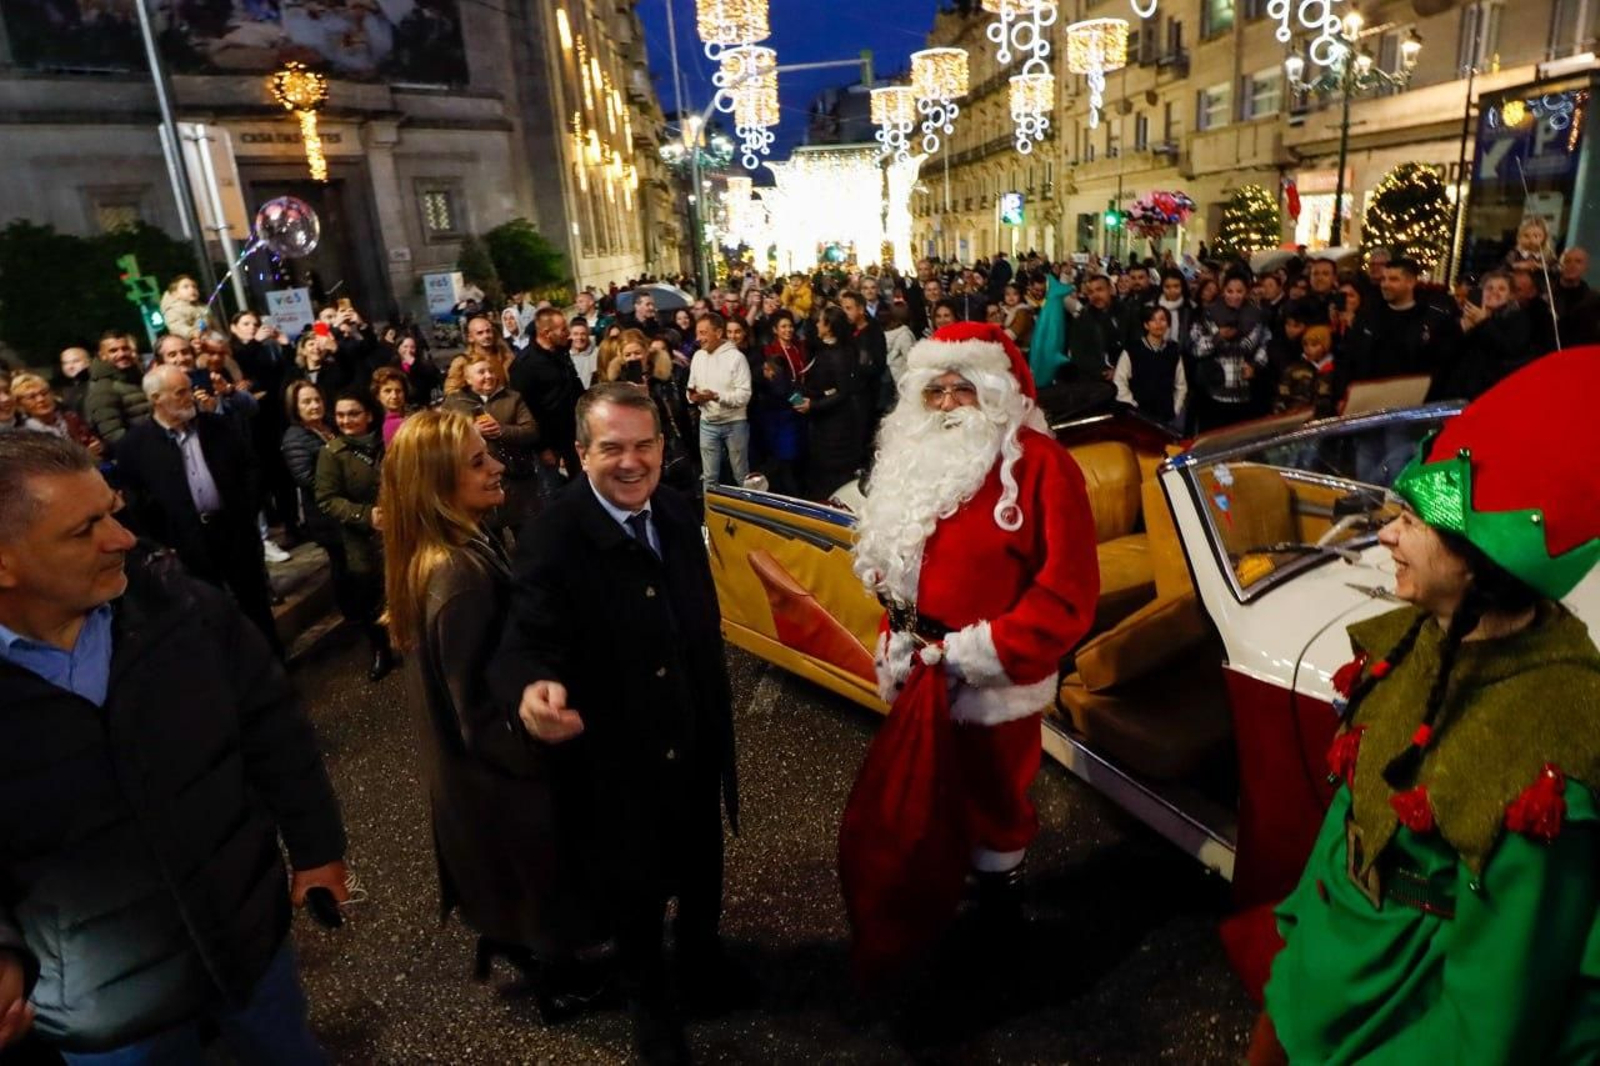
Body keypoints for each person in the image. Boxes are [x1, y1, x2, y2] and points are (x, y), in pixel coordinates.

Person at [1253, 347, 1600, 1065]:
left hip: (1408, 1010)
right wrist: (1298, 926)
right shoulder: (1414, 640)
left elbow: (1496, 1005)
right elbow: (1356, 810)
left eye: (1412, 520)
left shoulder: (1553, 742)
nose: (1385, 534)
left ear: (1481, 558)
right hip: (1331, 961)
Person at [0, 432, 349, 1063]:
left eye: (113, 510)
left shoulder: (183, 610)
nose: (122, 538)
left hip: (248, 948)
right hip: (107, 1009)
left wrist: (317, 847)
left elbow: (274, 730)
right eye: (85, 530)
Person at [489, 384, 742, 1065]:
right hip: (618, 765)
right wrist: (531, 690)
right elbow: (524, 640)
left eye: (643, 446)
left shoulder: (675, 504)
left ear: (663, 447)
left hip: (691, 740)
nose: (630, 463)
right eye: (611, 449)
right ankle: (651, 1014)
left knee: (700, 873)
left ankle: (703, 969)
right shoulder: (554, 535)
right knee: (633, 902)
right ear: (579, 454)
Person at [843, 321, 1100, 976]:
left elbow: (1066, 593)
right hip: (916, 664)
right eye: (938, 391)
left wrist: (979, 651)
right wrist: (898, 637)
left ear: (997, 393)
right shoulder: (909, 461)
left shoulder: (1043, 467)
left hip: (994, 676)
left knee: (996, 797)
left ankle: (999, 904)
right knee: (926, 788)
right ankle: (939, 887)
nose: (951, 404)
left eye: (966, 388)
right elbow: (893, 567)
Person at [380, 410, 608, 1022]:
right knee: (537, 885)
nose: (499, 467)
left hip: (479, 783)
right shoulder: (458, 574)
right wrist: (541, 752)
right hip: (496, 784)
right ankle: (556, 979)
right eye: (478, 462)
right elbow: (475, 709)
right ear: (436, 483)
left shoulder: (456, 549)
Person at [114, 366, 281, 656]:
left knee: (254, 602)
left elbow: (251, 469)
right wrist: (162, 542)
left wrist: (246, 511)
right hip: (185, 544)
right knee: (207, 611)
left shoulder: (219, 427)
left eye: (188, 389)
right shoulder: (135, 446)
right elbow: (137, 500)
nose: (188, 397)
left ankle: (273, 660)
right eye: (179, 393)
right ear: (156, 398)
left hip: (234, 531)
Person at [315, 391, 392, 681]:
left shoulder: (388, 443)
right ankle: (380, 650)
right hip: (362, 540)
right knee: (372, 599)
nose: (346, 420)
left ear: (369, 415)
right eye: (341, 415)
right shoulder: (332, 454)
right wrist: (364, 514)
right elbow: (326, 499)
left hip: (399, 531)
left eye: (353, 413)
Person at [442, 353, 542, 530]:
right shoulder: (455, 403)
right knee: (489, 531)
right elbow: (444, 438)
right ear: (468, 379)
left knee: (524, 530)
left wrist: (501, 430)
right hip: (477, 480)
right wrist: (472, 432)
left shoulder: (513, 398)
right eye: (481, 372)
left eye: (491, 371)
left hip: (515, 477)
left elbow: (531, 431)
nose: (488, 376)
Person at [1436, 270, 1536, 400]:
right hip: (1456, 391)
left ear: (1510, 295)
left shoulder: (1518, 318)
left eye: (1501, 289)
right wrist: (1463, 328)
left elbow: (1510, 349)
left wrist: (1483, 322)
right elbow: (1445, 353)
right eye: (1489, 288)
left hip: (1491, 392)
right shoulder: (1464, 315)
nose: (1494, 292)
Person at [796, 305, 862, 501]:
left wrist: (813, 405)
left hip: (835, 427)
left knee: (833, 476)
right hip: (823, 423)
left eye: (820, 320)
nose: (817, 324)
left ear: (829, 326)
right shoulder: (826, 350)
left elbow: (843, 392)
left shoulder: (838, 355)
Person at [510, 307, 584, 482]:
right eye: (563, 330)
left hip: (574, 434)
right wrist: (543, 448)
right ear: (546, 333)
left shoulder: (561, 353)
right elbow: (526, 409)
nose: (569, 334)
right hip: (550, 443)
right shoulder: (524, 365)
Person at [686, 312, 752, 493]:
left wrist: (716, 396)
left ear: (718, 332)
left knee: (741, 475)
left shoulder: (737, 358)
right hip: (707, 424)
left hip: (735, 424)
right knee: (709, 478)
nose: (698, 338)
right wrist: (693, 397)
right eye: (697, 333)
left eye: (703, 333)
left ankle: (750, 513)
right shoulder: (698, 357)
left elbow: (744, 395)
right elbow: (690, 387)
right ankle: (710, 519)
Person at [1113, 304, 1187, 430]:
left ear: (1168, 324)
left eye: (1162, 319)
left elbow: (1181, 385)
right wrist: (1133, 405)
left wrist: (1175, 408)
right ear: (1146, 325)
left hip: (1166, 416)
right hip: (1139, 416)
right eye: (1153, 320)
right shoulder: (1132, 350)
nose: (1158, 324)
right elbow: (1119, 381)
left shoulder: (1173, 350)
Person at [85, 331, 151, 451]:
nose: (121, 354)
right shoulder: (103, 388)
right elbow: (113, 433)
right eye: (113, 351)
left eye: (125, 349)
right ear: (102, 355)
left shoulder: (136, 377)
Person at [9, 373, 104, 457]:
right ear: (20, 405)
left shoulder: (71, 419)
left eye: (44, 393)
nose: (41, 399)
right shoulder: (24, 435)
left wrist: (98, 446)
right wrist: (84, 456)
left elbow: (94, 443)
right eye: (31, 397)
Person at [1273, 323, 1337, 418]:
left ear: (1325, 346)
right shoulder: (1294, 369)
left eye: (1314, 345)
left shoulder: (1334, 370)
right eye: (1305, 345)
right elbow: (1281, 395)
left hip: (1322, 421)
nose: (1308, 349)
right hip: (1294, 418)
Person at [158, 274, 207, 340]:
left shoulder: (201, 307)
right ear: (175, 294)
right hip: (190, 342)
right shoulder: (173, 310)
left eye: (194, 286)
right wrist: (191, 332)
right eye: (186, 287)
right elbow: (176, 326)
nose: (192, 289)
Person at [55, 346, 92, 419]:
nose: (70, 366)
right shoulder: (63, 390)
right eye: (65, 363)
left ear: (88, 362)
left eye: (76, 361)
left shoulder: (95, 385)